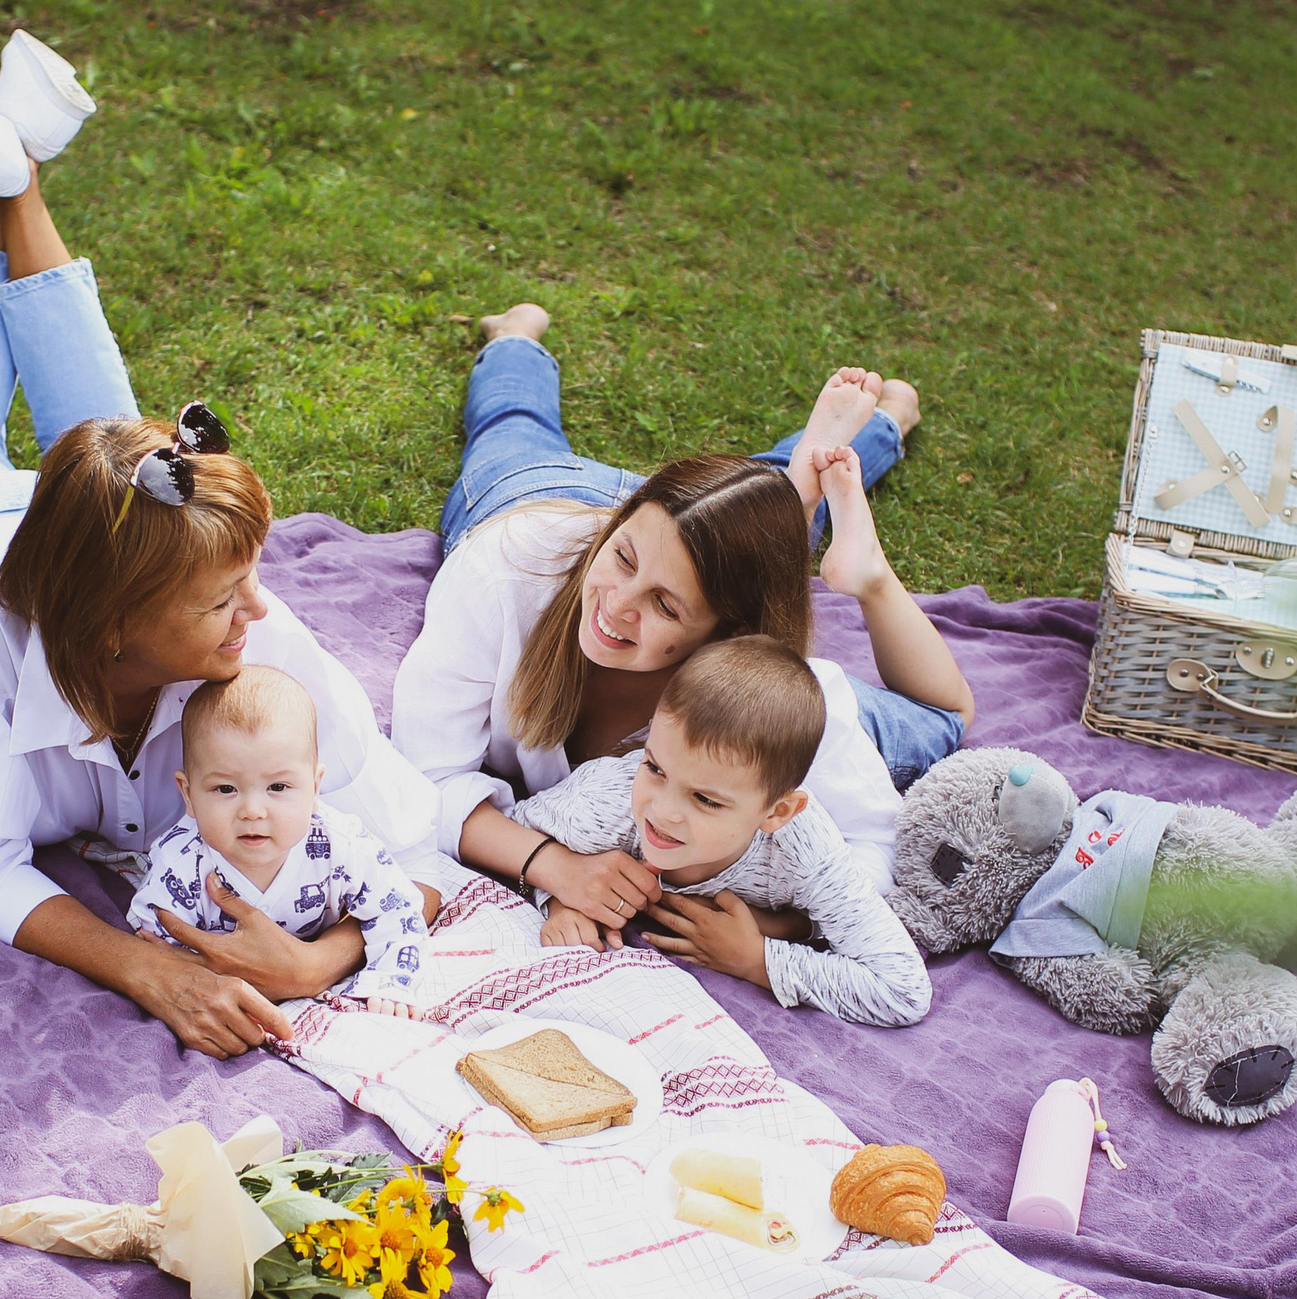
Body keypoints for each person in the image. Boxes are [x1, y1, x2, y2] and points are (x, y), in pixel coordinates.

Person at [0, 39, 440, 1059]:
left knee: (113, 438)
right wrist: (144, 965)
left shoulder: (245, 639)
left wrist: (318, 963)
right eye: (221, 602)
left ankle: (15, 174)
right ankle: (15, 170)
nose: (258, 614)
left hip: (113, 514)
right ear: (113, 628)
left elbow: (407, 834)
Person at [394, 304, 978, 951]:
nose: (616, 607)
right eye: (621, 563)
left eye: (665, 607)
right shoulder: (500, 574)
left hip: (674, 533)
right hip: (533, 497)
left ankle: (869, 442)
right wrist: (556, 868)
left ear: (724, 634)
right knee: (513, 423)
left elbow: (876, 844)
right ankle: (515, 336)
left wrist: (775, 932)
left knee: (934, 714)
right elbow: (423, 783)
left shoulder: (761, 687)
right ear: (617, 527)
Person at [505, 637, 932, 1029]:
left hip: (883, 735)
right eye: (654, 767)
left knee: (941, 719)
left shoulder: (803, 851)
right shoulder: (607, 799)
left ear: (778, 812)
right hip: (784, 715)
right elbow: (515, 828)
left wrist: (755, 959)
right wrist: (563, 895)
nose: (662, 812)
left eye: (706, 800)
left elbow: (904, 989)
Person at [127, 668, 427, 1018]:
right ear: (189, 795)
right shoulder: (180, 863)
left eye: (278, 788)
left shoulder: (342, 846)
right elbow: (151, 941)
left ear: (315, 788)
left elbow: (398, 906)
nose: (253, 811)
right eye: (226, 789)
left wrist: (392, 978)